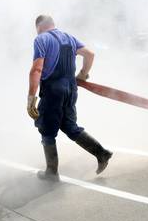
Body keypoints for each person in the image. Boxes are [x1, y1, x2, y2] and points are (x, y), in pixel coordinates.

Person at [27, 15, 113, 181]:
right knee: (69, 125)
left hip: (53, 91)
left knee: (47, 129)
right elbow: (90, 54)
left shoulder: (41, 39)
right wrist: (82, 75)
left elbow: (36, 70)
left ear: (39, 26)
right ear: (53, 24)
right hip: (70, 90)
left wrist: (31, 98)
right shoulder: (69, 37)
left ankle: (51, 172)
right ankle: (102, 153)